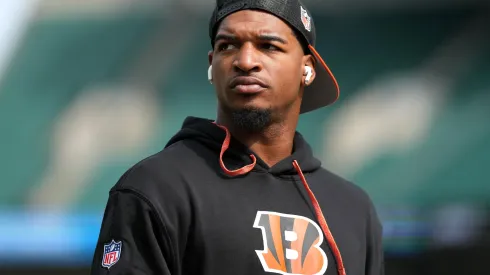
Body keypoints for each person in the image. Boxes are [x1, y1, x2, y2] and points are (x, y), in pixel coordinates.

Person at [90, 0, 384, 274]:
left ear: (306, 68)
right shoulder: (155, 188)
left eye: (268, 46)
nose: (245, 61)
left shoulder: (354, 209)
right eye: (228, 46)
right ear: (211, 63)